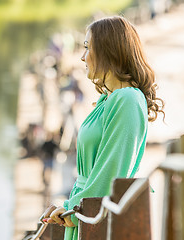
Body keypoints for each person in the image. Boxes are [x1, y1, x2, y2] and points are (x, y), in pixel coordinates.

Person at [41, 16, 165, 240]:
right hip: (88, 207)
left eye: (88, 48)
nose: (82, 56)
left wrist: (77, 210)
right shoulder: (107, 101)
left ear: (109, 50)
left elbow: (112, 169)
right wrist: (73, 207)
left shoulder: (127, 99)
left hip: (98, 213)